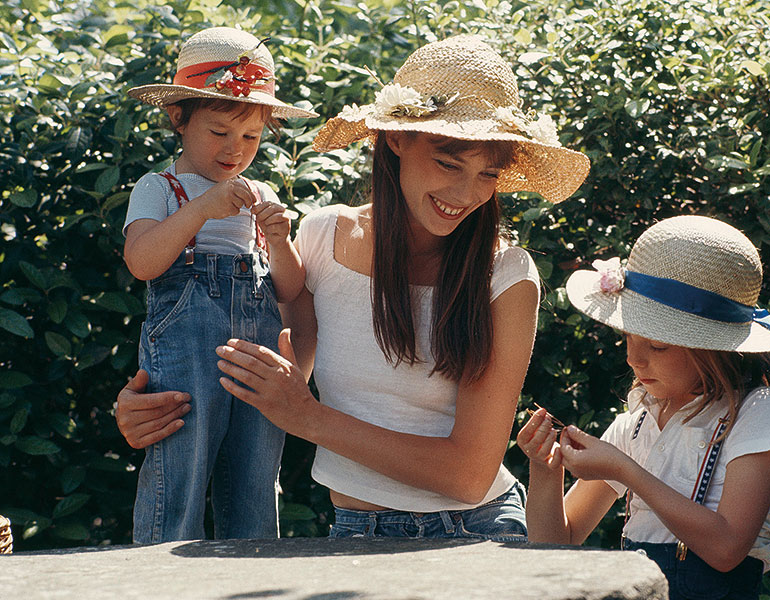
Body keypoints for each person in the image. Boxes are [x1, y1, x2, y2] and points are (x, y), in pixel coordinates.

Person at [120, 34, 590, 540]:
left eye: (487, 174)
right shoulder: (322, 235)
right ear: (395, 138)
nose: (466, 194)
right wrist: (154, 406)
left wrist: (311, 419)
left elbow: (469, 476)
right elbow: (271, 373)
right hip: (353, 531)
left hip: (476, 529)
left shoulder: (506, 276)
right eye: (449, 163)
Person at [517, 215, 770, 599]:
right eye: (627, 339)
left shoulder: (759, 411)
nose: (635, 359)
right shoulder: (635, 425)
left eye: (658, 346)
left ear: (712, 348)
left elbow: (727, 548)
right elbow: (556, 545)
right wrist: (546, 469)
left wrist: (625, 470)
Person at [122, 26, 318, 542]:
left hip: (255, 340)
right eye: (219, 132)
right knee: (181, 456)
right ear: (178, 118)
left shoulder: (260, 192)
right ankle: (160, 571)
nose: (236, 149)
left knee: (255, 466)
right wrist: (203, 208)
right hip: (188, 340)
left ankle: (249, 571)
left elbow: (288, 289)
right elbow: (143, 261)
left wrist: (279, 240)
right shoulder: (158, 187)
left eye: (251, 137)